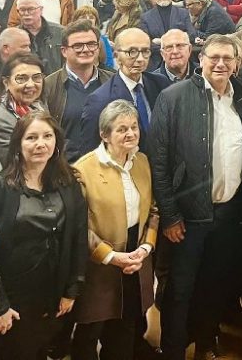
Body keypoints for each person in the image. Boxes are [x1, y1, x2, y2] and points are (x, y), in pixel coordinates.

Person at [149, 34, 242, 360]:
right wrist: (169, 214)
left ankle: (206, 342)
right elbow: (159, 160)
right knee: (180, 290)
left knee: (214, 284)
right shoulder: (174, 97)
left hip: (229, 215)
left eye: (227, 58)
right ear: (201, 60)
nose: (221, 64)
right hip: (187, 216)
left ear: (236, 62)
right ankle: (174, 349)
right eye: (214, 57)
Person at [0, 112, 88, 360]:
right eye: (31, 137)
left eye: (48, 136)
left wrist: (72, 289)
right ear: (18, 144)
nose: (40, 144)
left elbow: (78, 238)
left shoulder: (69, 183)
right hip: (11, 300)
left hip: (53, 297)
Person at [70, 100, 158, 360]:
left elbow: (153, 209)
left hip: (136, 256)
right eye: (121, 129)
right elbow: (78, 227)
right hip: (99, 263)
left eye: (134, 127)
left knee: (127, 325)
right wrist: (111, 257)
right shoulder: (83, 169)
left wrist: (145, 247)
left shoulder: (142, 161)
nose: (130, 133)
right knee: (90, 331)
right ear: (104, 134)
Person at [78, 28, 168, 157]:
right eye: (132, 52)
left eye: (145, 51)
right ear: (116, 55)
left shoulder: (160, 84)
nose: (140, 59)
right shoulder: (100, 100)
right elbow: (90, 153)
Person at [43, 20, 114, 162]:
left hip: (108, 166)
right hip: (65, 170)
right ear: (64, 51)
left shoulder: (113, 82)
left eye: (91, 44)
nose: (86, 49)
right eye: (78, 45)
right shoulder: (48, 86)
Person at [0, 52, 46, 163]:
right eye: (21, 79)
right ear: (6, 83)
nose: (30, 84)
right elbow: (17, 163)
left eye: (36, 78)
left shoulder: (38, 106)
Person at [139, 0, 194, 70]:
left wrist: (162, 42)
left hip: (181, 62)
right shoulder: (145, 17)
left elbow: (191, 35)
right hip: (155, 65)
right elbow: (145, 44)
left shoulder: (183, 13)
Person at [14, 0, 66, 73]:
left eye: (31, 9)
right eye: (22, 10)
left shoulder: (60, 32)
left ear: (41, 10)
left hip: (56, 82)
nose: (26, 13)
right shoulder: (14, 35)